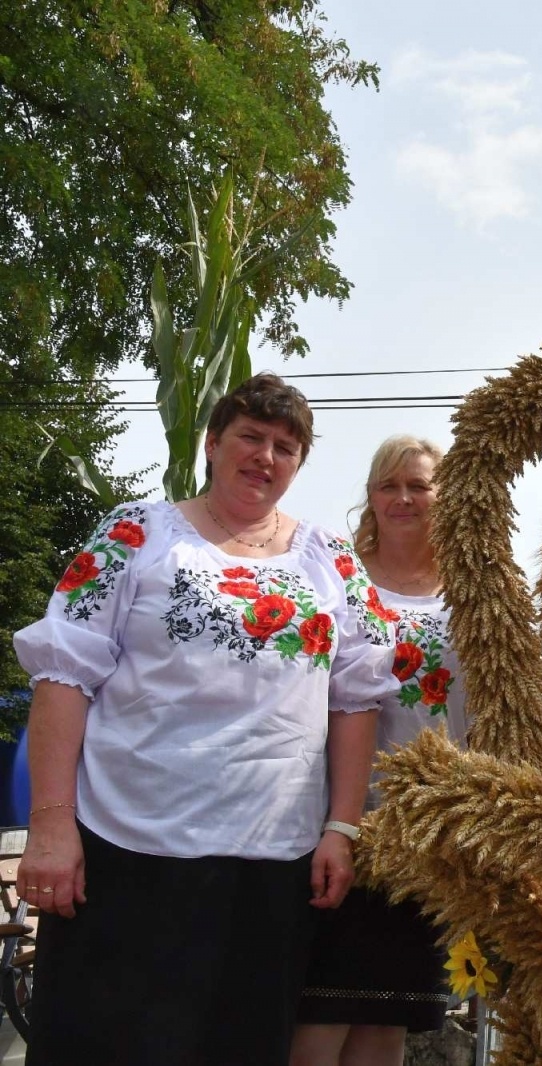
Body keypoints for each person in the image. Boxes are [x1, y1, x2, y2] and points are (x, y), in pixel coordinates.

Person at [13, 372, 396, 1066]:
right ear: (214, 443)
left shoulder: (330, 559)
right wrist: (50, 824)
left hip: (270, 862)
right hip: (124, 848)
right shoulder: (136, 534)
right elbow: (63, 673)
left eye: (286, 446)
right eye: (251, 436)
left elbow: (356, 698)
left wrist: (343, 827)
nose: (266, 456)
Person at [292, 436, 466, 1066]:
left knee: (387, 1021)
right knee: (320, 1018)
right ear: (369, 497)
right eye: (388, 486)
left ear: (443, 495)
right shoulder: (336, 577)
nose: (403, 498)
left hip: (428, 826)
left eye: (418, 485)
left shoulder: (477, 588)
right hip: (337, 817)